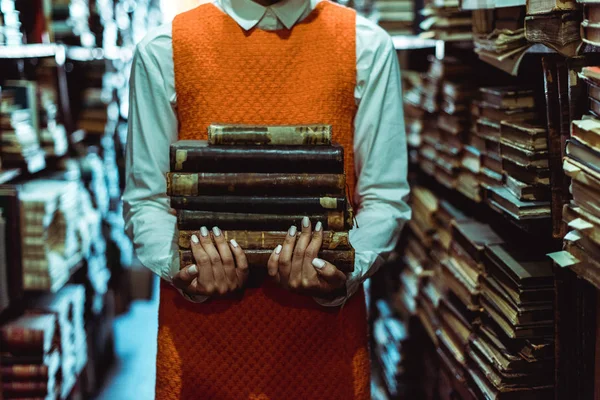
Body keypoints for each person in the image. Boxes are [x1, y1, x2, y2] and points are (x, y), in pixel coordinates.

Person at [123, 0, 411, 398]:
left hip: (325, 348)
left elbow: (384, 197)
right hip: (200, 349)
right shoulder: (164, 48)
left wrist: (342, 270)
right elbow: (146, 199)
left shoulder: (366, 46)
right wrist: (185, 268)